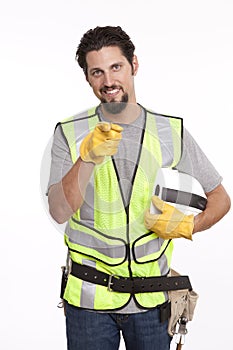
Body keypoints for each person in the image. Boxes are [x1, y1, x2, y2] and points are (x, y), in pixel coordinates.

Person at [47, 26, 231, 350]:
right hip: (89, 303)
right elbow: (59, 210)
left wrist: (190, 224)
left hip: (152, 302)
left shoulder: (170, 131)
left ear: (134, 64)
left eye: (116, 67)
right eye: (97, 72)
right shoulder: (70, 133)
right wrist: (86, 159)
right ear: (88, 79)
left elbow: (219, 198)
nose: (108, 81)